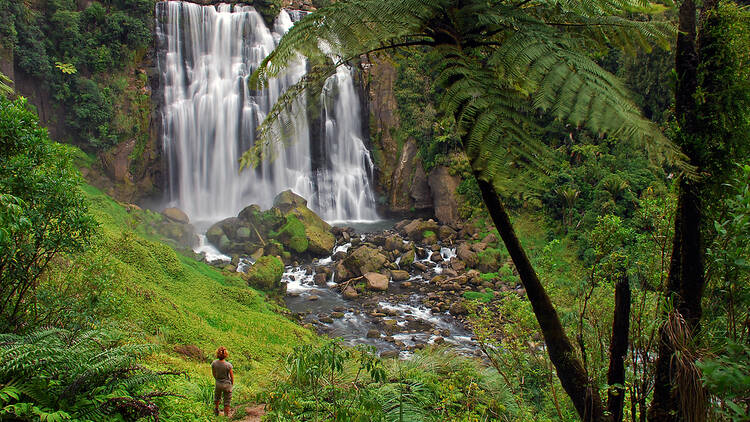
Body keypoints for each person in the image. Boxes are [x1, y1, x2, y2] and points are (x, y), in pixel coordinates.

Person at [212, 346, 234, 417]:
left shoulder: (214, 363)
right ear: (226, 355)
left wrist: (217, 379)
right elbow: (231, 376)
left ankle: (216, 409)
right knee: (227, 400)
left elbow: (214, 373)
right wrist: (231, 383)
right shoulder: (228, 365)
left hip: (218, 383)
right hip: (227, 384)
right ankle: (226, 415)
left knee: (217, 397)